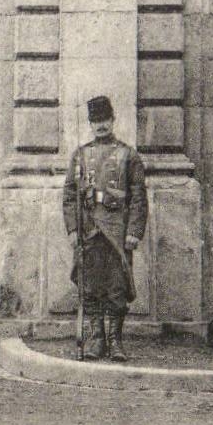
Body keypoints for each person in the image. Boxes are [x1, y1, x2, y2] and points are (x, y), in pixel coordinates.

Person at [63, 95, 148, 362]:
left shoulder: (128, 155)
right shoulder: (80, 155)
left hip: (117, 231)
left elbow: (138, 197)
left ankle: (115, 341)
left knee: (116, 288)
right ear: (90, 123)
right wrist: (72, 229)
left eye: (105, 120)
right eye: (96, 120)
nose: (101, 125)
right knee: (90, 288)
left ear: (113, 120)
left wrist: (134, 231)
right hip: (89, 230)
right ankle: (97, 339)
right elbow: (70, 196)